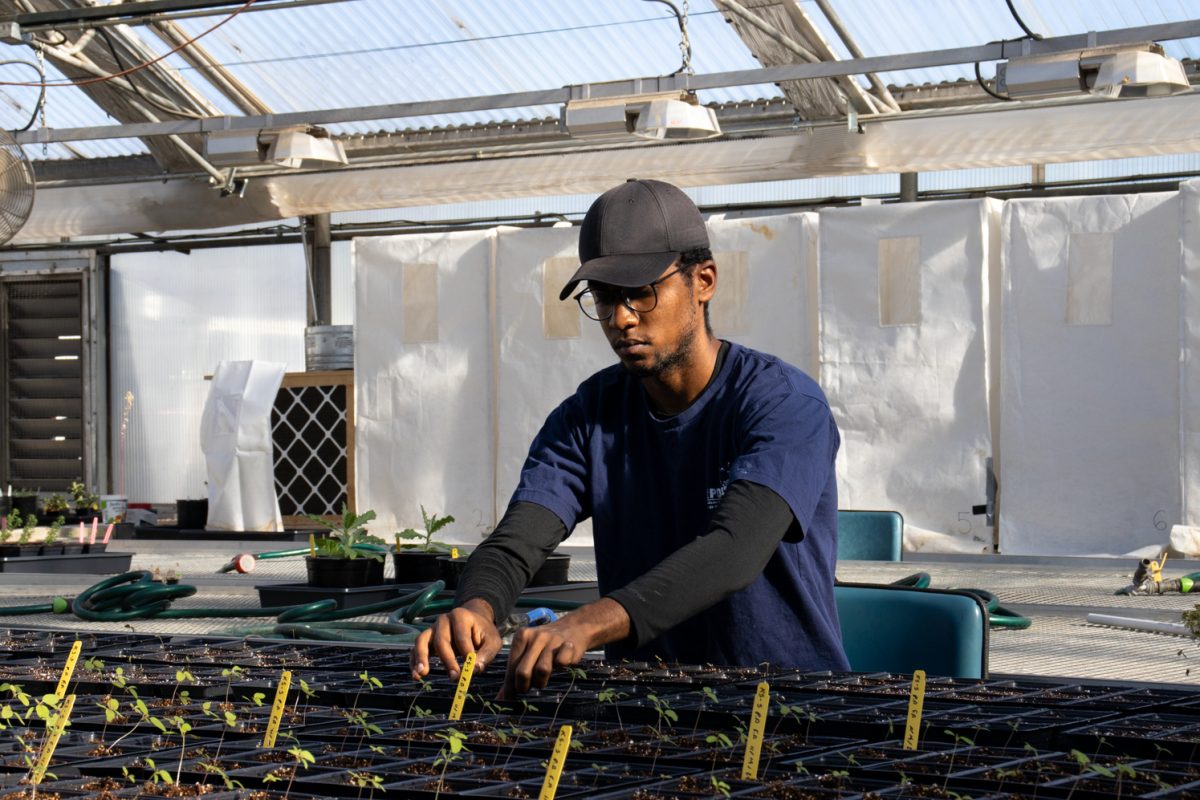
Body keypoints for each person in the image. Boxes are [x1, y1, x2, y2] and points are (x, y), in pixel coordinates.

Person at [410, 178, 848, 696]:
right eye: (605, 298)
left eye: (642, 293)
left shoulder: (782, 405)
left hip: (785, 701)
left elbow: (735, 550)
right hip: (641, 704)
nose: (621, 319)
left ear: (703, 281)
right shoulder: (588, 417)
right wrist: (476, 606)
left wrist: (589, 622)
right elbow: (515, 545)